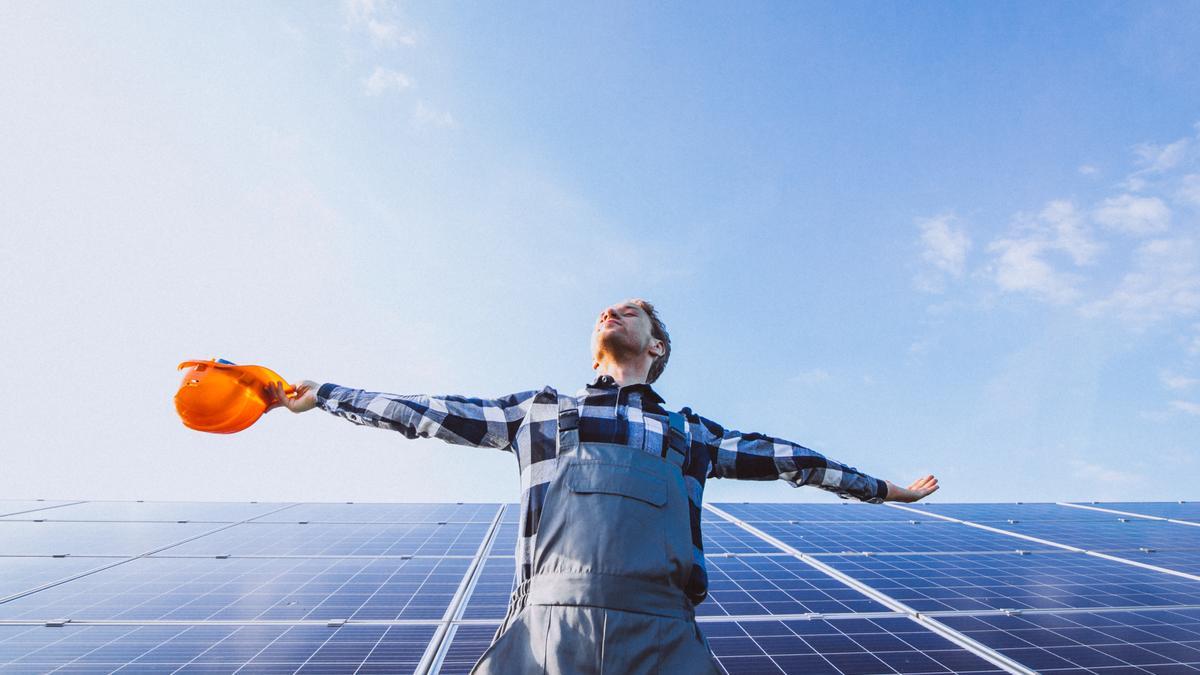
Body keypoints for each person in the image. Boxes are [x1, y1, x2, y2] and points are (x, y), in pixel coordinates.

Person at [269, 299, 938, 674]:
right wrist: (325, 393)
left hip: (665, 638)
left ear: (658, 348)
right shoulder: (535, 412)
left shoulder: (692, 434)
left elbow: (797, 460)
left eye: (636, 309)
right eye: (607, 311)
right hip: (539, 637)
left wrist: (885, 489)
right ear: (596, 350)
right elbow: (427, 412)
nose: (614, 309)